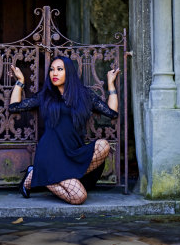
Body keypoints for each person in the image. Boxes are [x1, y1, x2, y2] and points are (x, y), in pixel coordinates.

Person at [8, 56, 119, 205]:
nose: (55, 73)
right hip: (51, 154)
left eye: (60, 69)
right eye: (52, 70)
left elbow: (112, 113)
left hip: (73, 152)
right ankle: (41, 174)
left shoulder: (85, 95)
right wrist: (20, 81)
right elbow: (14, 107)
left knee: (103, 145)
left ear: (69, 72)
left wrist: (111, 85)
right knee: (79, 198)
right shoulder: (46, 96)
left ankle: (37, 173)